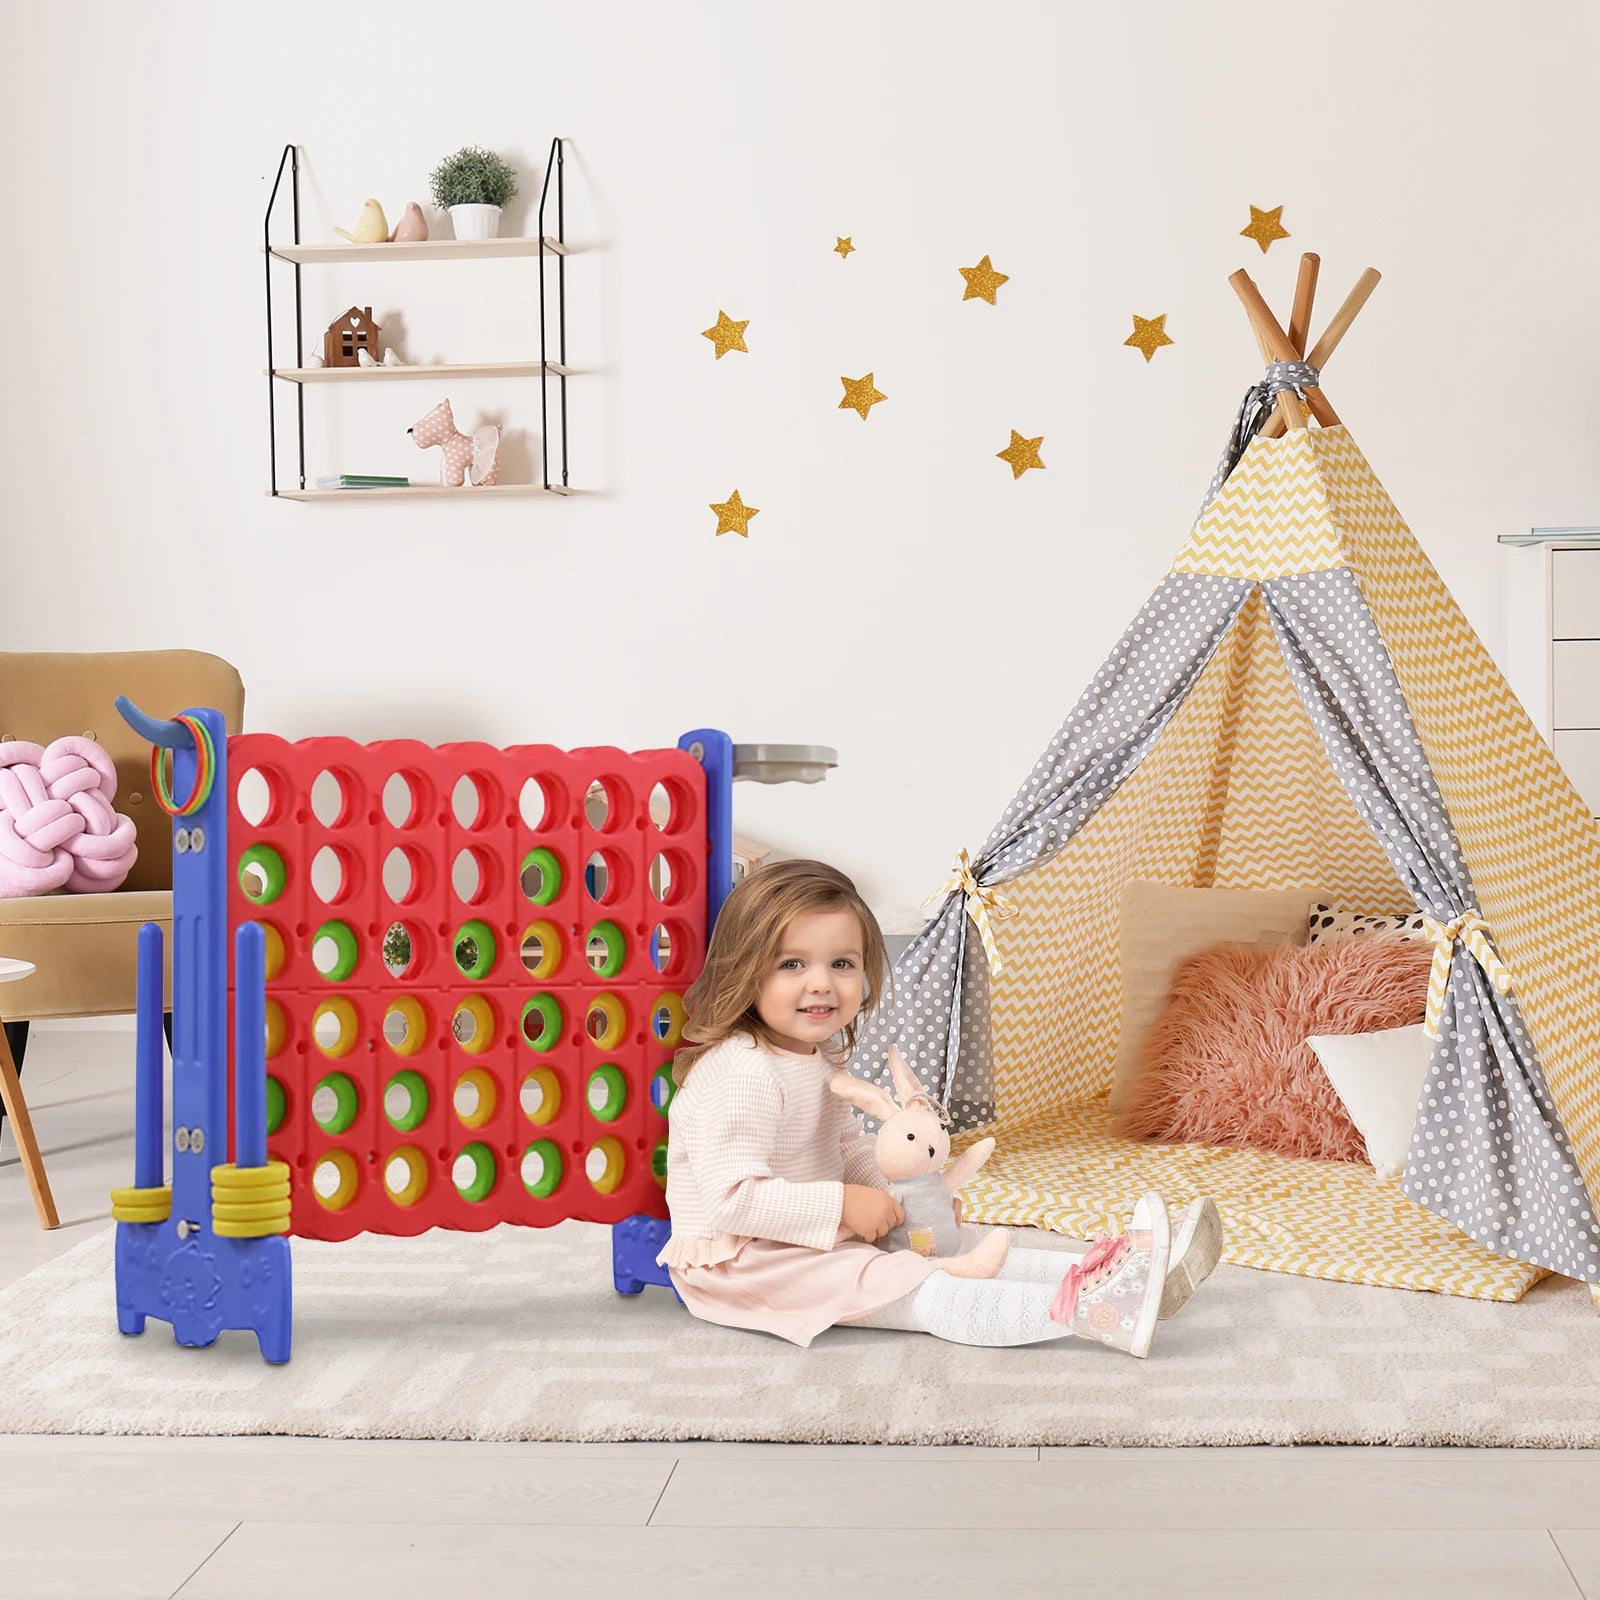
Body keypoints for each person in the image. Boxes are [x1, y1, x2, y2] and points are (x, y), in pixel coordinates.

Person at [658, 858, 1222, 1354]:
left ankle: (1128, 1275)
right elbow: (731, 1201)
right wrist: (844, 1207)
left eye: (843, 964)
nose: (822, 984)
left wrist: (906, 1198)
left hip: (798, 1238)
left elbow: (847, 1148)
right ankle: (1097, 1314)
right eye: (791, 965)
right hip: (740, 1263)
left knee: (963, 1246)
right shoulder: (743, 1071)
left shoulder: (816, 1056)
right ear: (743, 970)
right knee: (920, 1284)